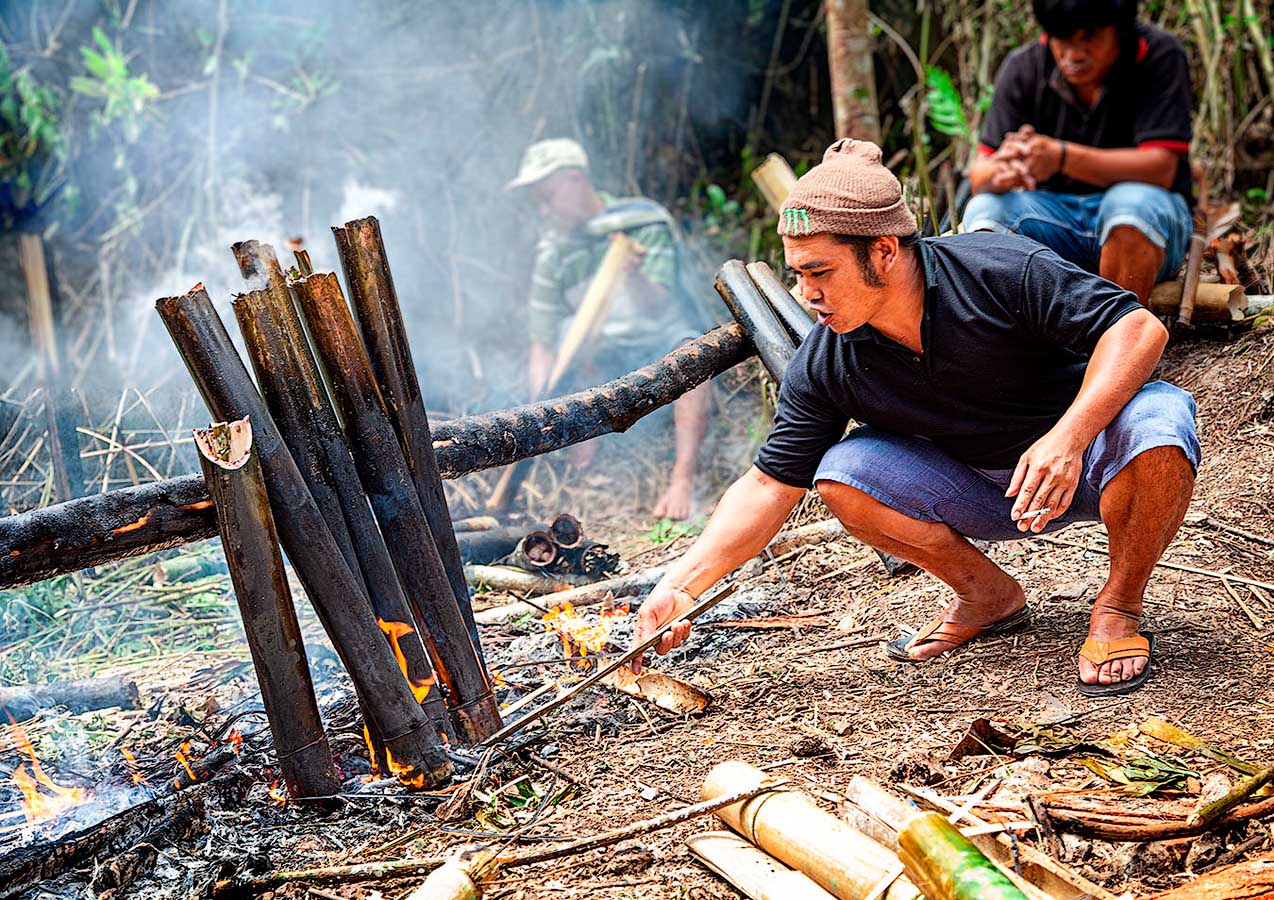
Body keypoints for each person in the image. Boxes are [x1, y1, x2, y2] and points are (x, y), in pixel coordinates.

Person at [632, 140, 1200, 696]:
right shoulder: (829, 359)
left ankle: (1119, 605)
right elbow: (767, 485)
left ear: (883, 251)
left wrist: (1069, 438)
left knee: (1160, 418)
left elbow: (1138, 328)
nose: (807, 294)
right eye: (797, 275)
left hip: (1089, 463)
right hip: (980, 488)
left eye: (820, 272)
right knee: (842, 471)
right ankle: (987, 595)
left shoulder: (997, 268)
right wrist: (680, 585)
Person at [507, 138, 710, 520]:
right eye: (538, 201)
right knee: (565, 372)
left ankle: (682, 477)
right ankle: (583, 471)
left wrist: (631, 272)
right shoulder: (555, 252)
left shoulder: (641, 220)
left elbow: (658, 304)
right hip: (600, 350)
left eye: (547, 197)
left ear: (574, 180)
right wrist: (543, 400)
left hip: (657, 337)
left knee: (690, 355)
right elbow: (543, 339)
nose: (544, 209)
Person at [962, 0, 1194, 305]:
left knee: (1131, 208)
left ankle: (1120, 336)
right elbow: (980, 175)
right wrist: (1006, 170)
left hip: (1150, 223)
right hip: (1055, 219)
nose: (1073, 55)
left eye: (1089, 38)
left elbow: (1161, 169)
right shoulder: (1024, 67)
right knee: (985, 210)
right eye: (1062, 40)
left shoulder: (1158, 55)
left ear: (1120, 31)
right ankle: (1017, 345)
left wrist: (1061, 157)